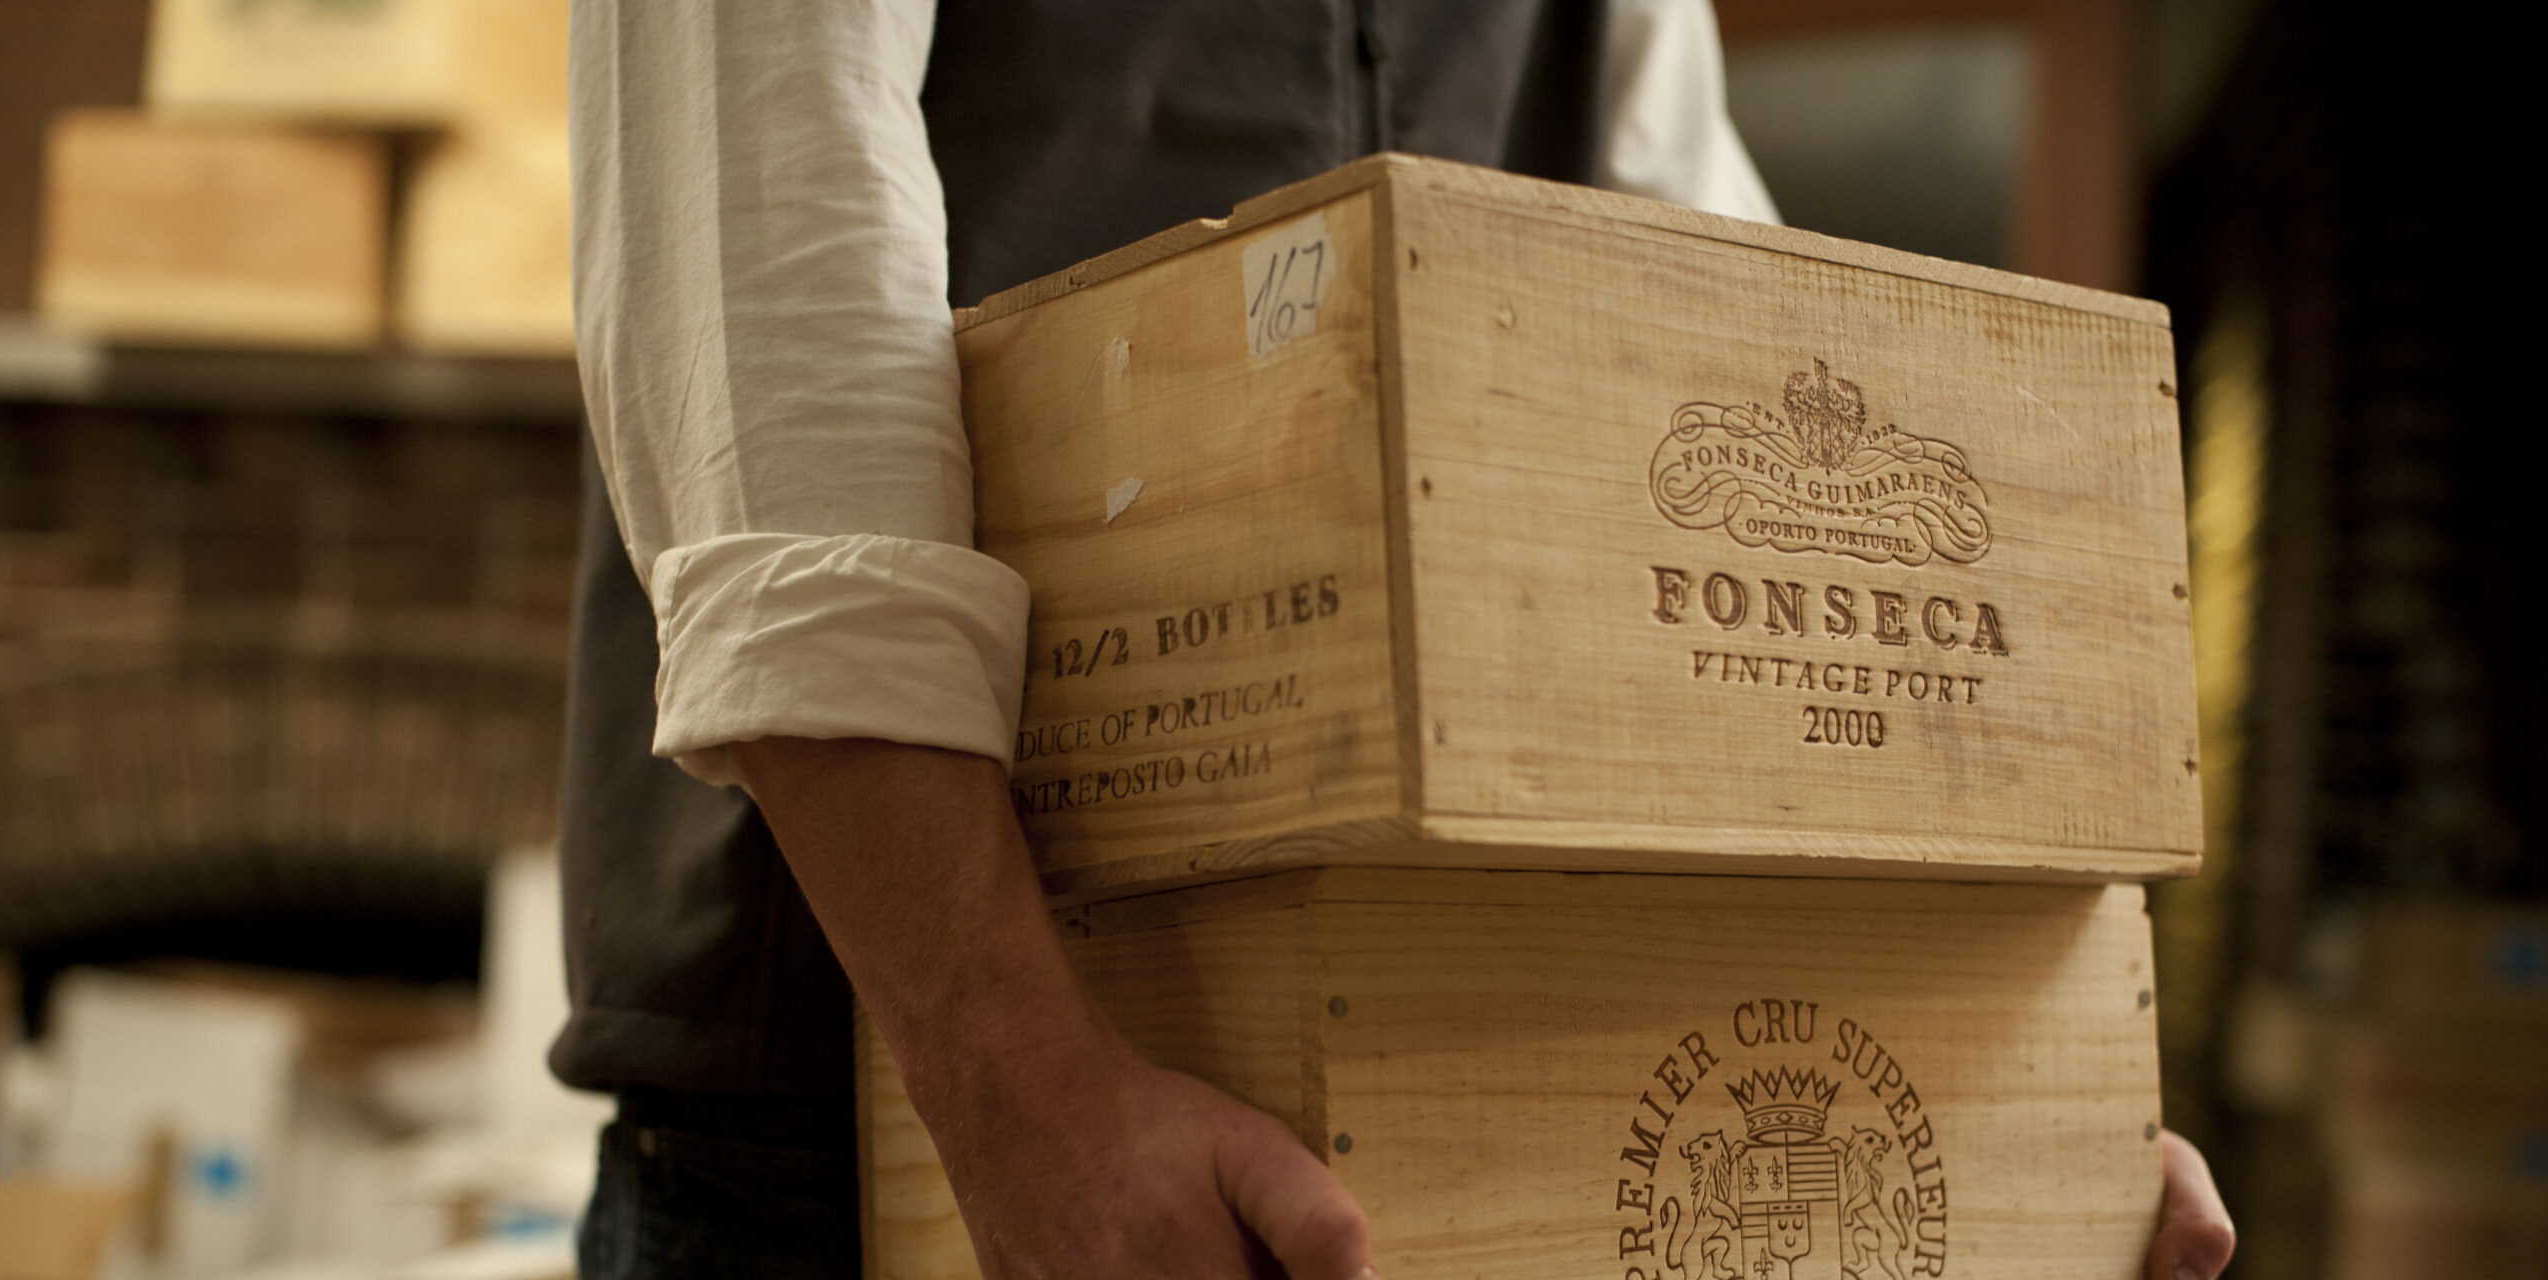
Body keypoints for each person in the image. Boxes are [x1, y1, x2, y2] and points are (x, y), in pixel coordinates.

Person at [557, 2, 2240, 1276]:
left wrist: (2006, 1110)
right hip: (883, 1117)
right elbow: (774, 293)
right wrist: (1018, 1085)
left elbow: (1703, 320)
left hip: (1465, 1123)